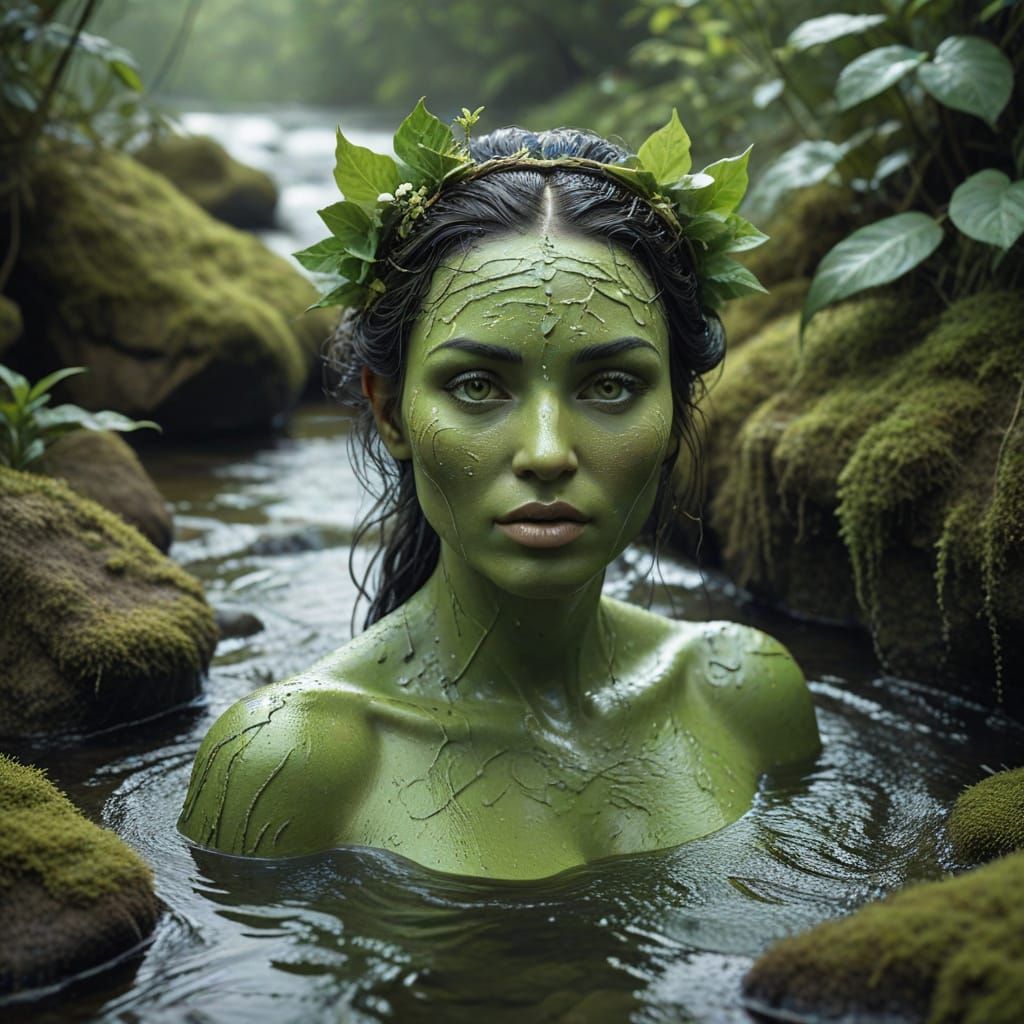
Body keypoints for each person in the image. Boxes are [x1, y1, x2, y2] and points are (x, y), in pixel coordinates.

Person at [178, 108, 820, 879]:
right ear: (390, 409)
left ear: (679, 406)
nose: (547, 453)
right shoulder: (293, 762)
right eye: (478, 385)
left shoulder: (749, 695)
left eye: (611, 385)